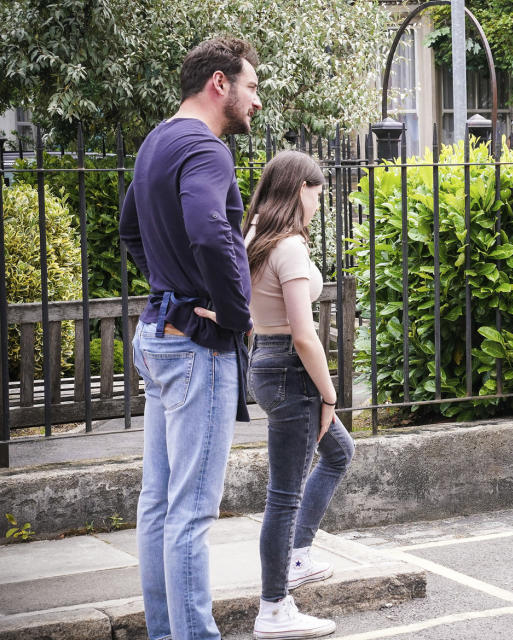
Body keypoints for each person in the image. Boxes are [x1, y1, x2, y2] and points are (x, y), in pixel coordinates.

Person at [120, 37, 261, 639]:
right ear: (219, 84)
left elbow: (129, 229)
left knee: (158, 506)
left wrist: (166, 284)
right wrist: (232, 312)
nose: (257, 100)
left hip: (158, 335)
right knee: (191, 514)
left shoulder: (156, 142)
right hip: (196, 347)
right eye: (252, 87)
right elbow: (209, 230)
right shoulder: (206, 149)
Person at [202, 150, 353, 639]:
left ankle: (298, 555)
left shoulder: (252, 238)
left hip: (267, 362)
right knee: (283, 495)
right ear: (300, 190)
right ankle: (273, 607)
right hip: (291, 368)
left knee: (339, 452)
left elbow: (244, 312)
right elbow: (306, 336)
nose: (319, 206)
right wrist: (329, 395)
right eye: (318, 195)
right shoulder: (288, 248)